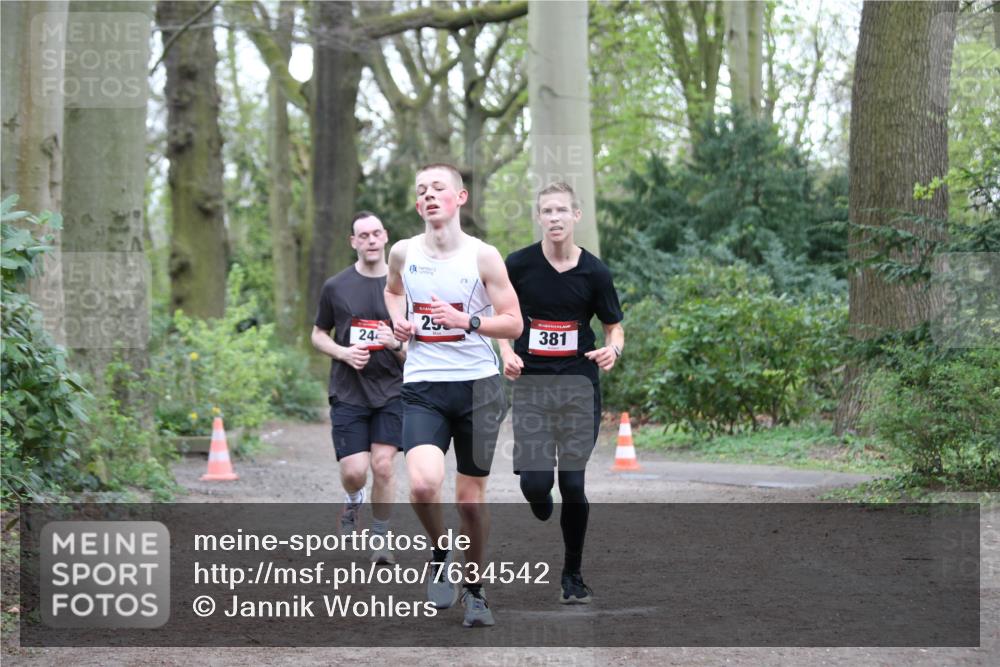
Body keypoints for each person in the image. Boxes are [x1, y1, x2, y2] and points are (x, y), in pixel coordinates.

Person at [384, 163, 522, 628]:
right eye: (421, 189)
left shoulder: (483, 257)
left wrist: (470, 322)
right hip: (424, 385)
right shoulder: (403, 252)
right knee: (422, 485)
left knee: (469, 501)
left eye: (438, 188)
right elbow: (392, 292)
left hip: (479, 387)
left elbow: (514, 322)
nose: (428, 195)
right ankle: (441, 550)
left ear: (460, 198)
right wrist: (400, 326)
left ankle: (476, 590)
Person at [497, 182, 624, 605]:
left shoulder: (595, 272)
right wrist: (504, 352)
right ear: (539, 217)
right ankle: (538, 497)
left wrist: (614, 349)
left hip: (578, 388)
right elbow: (497, 314)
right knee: (536, 485)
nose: (554, 217)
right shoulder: (518, 265)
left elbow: (613, 325)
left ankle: (572, 573)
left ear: (576, 216)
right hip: (532, 386)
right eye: (546, 211)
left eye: (561, 211)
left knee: (572, 482)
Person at [311, 211, 405, 565]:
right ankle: (354, 500)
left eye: (376, 234)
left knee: (383, 465)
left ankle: (381, 538)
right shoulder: (336, 286)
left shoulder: (403, 287)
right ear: (353, 242)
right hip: (349, 391)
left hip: (392, 390)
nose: (370, 240)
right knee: (354, 472)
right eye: (362, 235)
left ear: (385, 238)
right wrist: (343, 352)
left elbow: (417, 350)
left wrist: (394, 343)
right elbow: (318, 333)